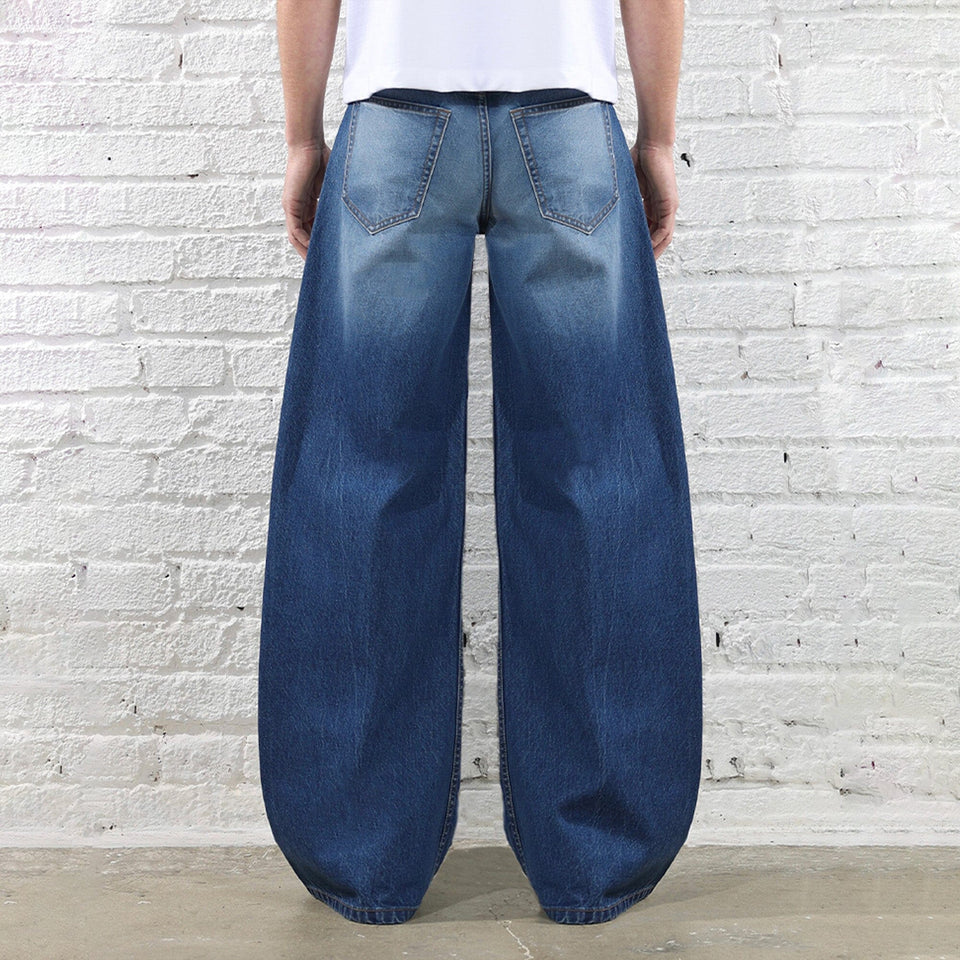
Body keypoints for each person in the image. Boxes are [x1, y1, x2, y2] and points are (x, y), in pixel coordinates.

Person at [258, 0, 702, 927]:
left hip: (394, 113)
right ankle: (598, 858)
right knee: (600, 484)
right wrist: (658, 135)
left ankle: (360, 851)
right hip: (569, 115)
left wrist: (302, 135)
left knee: (360, 484)